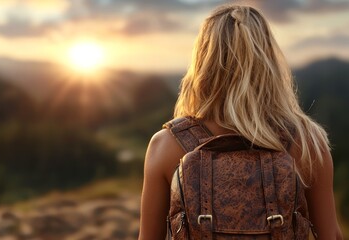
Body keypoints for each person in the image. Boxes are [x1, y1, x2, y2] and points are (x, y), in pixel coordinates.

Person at [138, 4, 343, 240]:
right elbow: (329, 235)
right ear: (268, 62)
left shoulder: (166, 145)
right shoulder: (307, 143)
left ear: (203, 63)